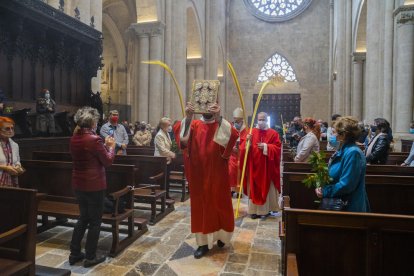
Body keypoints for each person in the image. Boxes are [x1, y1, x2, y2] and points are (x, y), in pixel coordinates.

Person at [180, 102, 238, 259]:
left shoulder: (221, 125)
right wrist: (189, 116)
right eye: (203, 105)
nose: (206, 109)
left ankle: (221, 237)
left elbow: (232, 137)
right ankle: (203, 243)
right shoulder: (195, 124)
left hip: (218, 174)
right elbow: (183, 142)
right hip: (199, 175)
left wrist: (219, 118)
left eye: (210, 105)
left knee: (220, 205)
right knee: (201, 208)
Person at [69, 107, 115, 268]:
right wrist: (110, 146)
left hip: (78, 184)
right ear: (93, 122)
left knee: (83, 218)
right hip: (94, 185)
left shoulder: (74, 138)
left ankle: (74, 254)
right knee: (95, 221)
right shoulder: (94, 140)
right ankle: (90, 256)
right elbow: (108, 161)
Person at [315, 116, 370, 212]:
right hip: (341, 204)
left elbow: (347, 185)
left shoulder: (353, 153)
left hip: (349, 207)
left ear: (343, 135)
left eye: (335, 132)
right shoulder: (344, 150)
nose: (333, 135)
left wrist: (326, 191)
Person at [240, 112, 282, 220]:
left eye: (263, 119)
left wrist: (266, 146)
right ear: (256, 120)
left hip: (267, 168)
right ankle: (253, 211)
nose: (261, 121)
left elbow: (277, 148)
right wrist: (247, 142)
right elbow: (243, 149)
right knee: (253, 189)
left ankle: (265, 210)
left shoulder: (273, 133)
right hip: (253, 167)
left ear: (266, 120)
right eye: (259, 119)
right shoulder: (251, 132)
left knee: (267, 189)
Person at [154, 117, 176, 199]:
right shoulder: (159, 135)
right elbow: (162, 150)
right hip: (161, 160)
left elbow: (169, 145)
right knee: (164, 179)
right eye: (168, 125)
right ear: (163, 126)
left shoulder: (166, 133)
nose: (170, 127)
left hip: (167, 159)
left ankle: (166, 194)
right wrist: (172, 154)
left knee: (167, 178)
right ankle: (164, 195)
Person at [0, 117, 24, 187]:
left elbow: (17, 161)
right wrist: (5, 167)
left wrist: (18, 166)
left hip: (12, 180)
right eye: (7, 128)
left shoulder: (15, 145)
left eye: (12, 128)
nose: (11, 131)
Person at [229, 107, 246, 198]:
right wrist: (232, 148)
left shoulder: (246, 129)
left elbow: (246, 142)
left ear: (242, 120)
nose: (236, 122)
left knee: (241, 172)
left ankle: (240, 191)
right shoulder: (230, 127)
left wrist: (240, 148)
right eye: (235, 120)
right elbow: (226, 139)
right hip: (232, 155)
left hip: (241, 155)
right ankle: (231, 190)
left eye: (238, 120)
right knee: (231, 172)